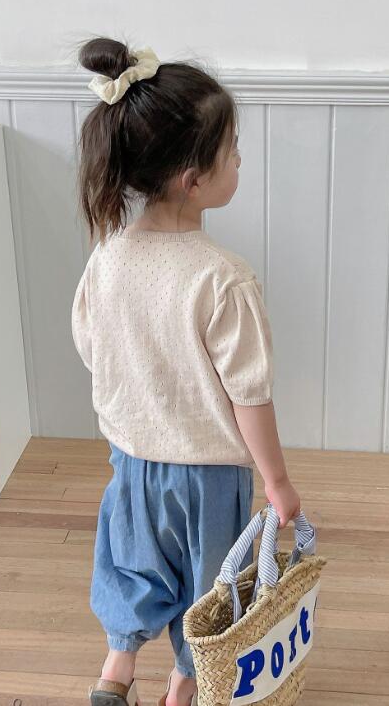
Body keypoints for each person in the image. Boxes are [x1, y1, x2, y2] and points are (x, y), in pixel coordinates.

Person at [71, 36, 302, 706]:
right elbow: (249, 394)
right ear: (192, 180)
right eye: (232, 150)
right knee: (210, 586)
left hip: (131, 462)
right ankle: (183, 685)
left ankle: (116, 670)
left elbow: (91, 346)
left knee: (133, 565)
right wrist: (277, 482)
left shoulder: (107, 257)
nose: (241, 159)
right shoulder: (222, 278)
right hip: (207, 475)